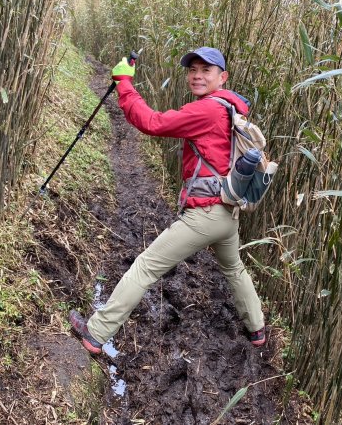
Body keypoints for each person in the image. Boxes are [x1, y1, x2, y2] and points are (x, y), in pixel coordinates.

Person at [69, 47, 265, 354]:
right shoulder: (229, 108)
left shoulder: (209, 109)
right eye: (192, 70)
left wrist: (124, 82)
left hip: (206, 215)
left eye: (206, 70)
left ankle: (95, 333)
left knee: (145, 267)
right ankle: (257, 330)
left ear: (222, 77)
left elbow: (153, 122)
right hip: (227, 213)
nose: (197, 76)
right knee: (234, 269)